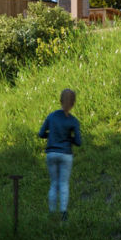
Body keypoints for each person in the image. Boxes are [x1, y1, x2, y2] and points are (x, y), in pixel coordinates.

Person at [37, 88, 82, 219]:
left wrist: (51, 137)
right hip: (66, 154)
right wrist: (69, 139)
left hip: (51, 153)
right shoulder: (73, 121)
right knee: (64, 183)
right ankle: (63, 212)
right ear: (73, 103)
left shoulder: (51, 116)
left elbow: (41, 134)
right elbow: (78, 142)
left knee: (54, 183)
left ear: (60, 100)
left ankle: (51, 211)